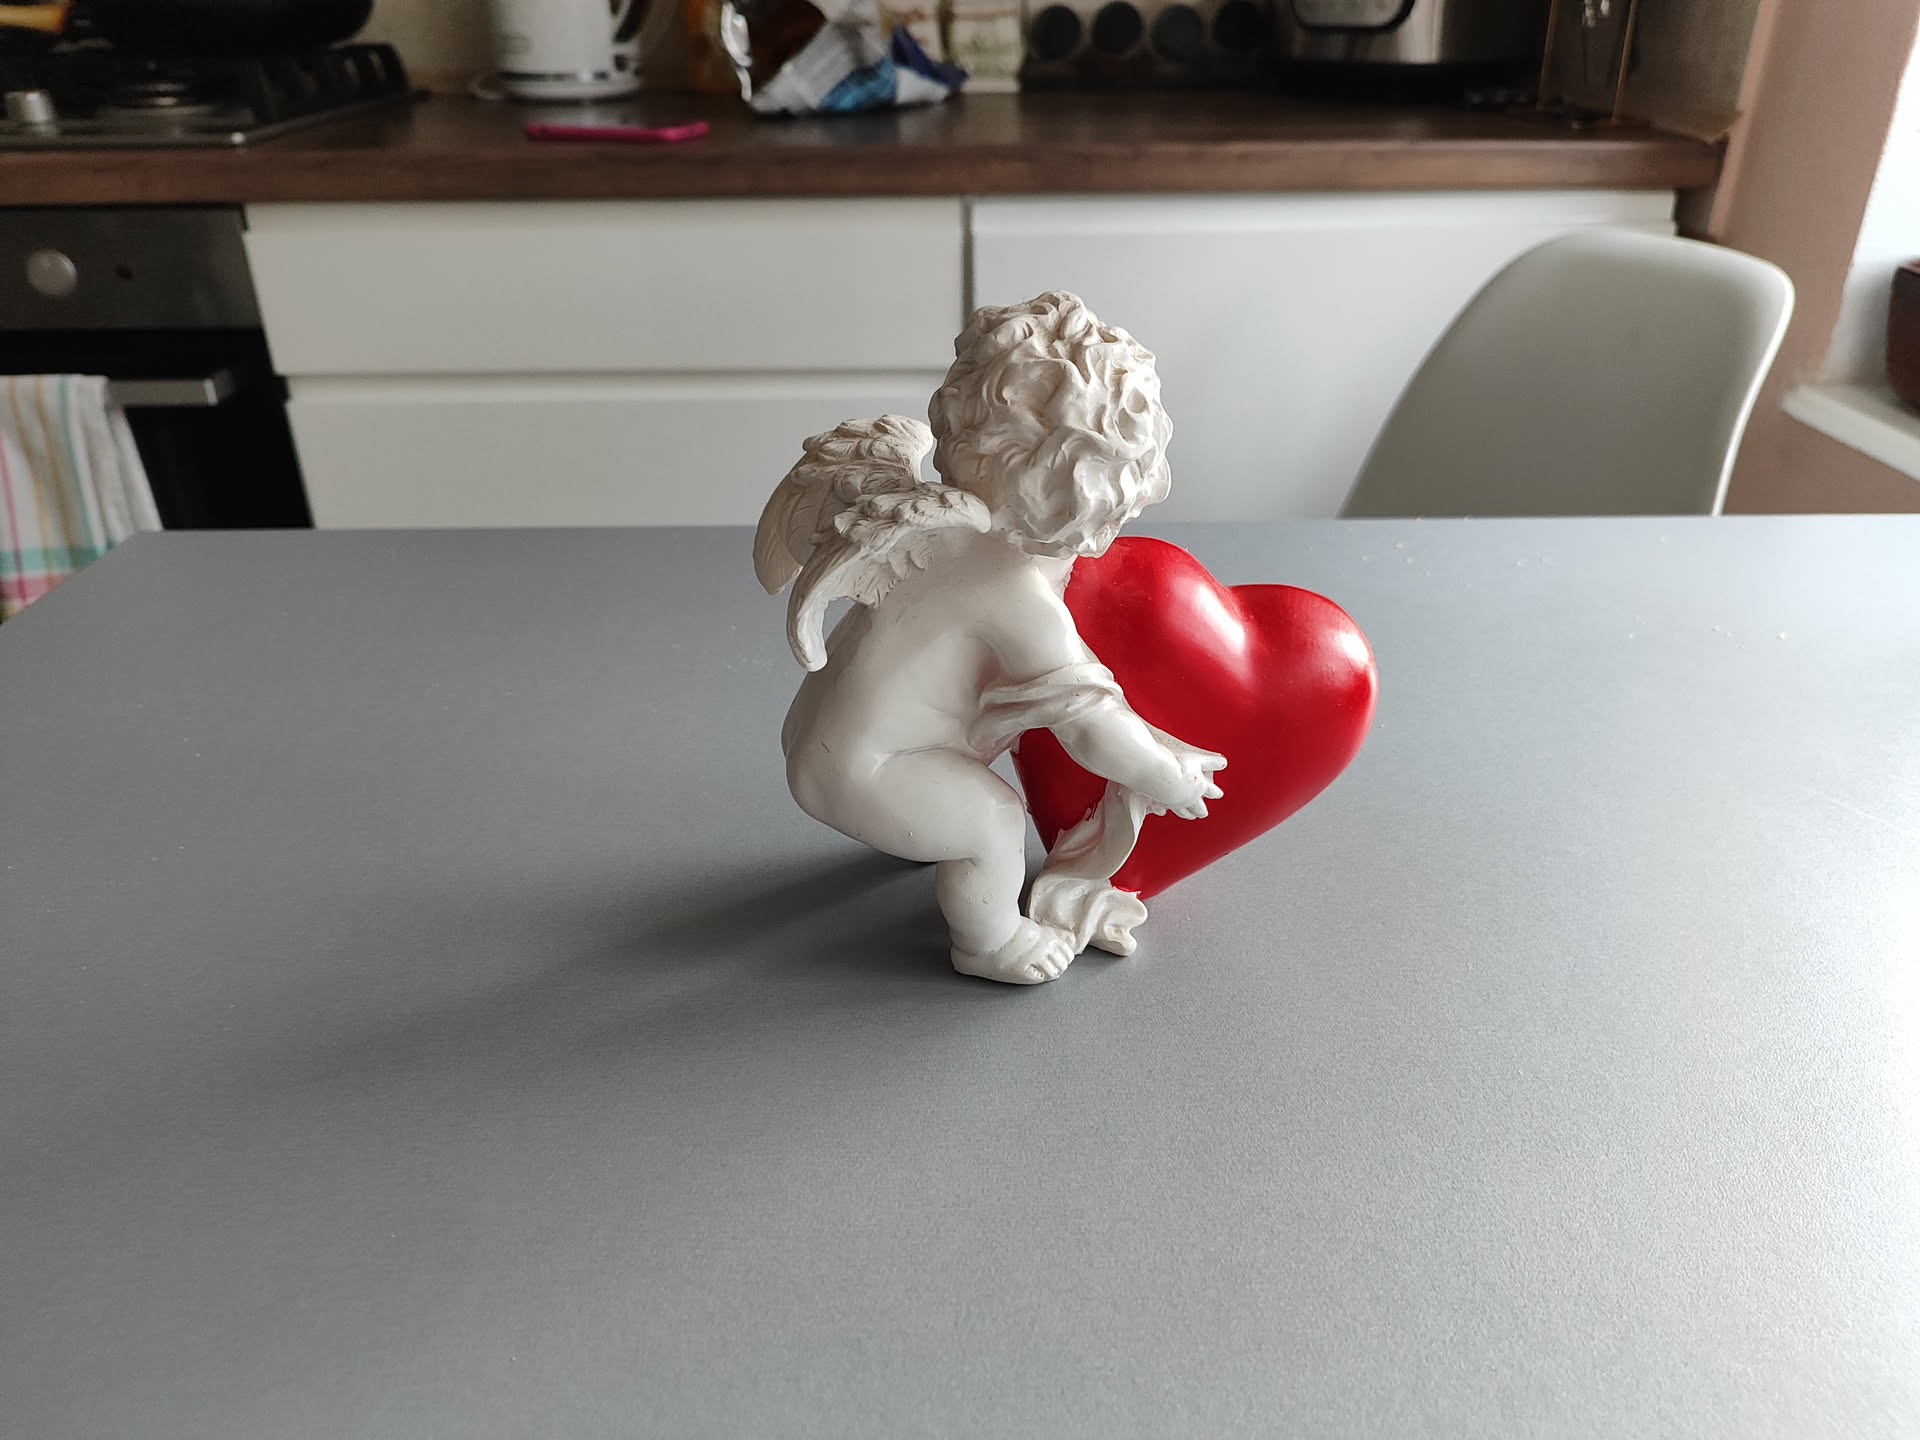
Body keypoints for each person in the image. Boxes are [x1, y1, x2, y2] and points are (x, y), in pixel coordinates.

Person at [754, 292, 1224, 984]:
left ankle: (914, 824)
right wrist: (1164, 775)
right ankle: (990, 941)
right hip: (865, 768)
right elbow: (1090, 728)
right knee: (995, 819)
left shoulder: (944, 527)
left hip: (820, 730)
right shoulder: (1015, 595)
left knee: (946, 798)